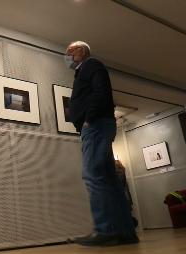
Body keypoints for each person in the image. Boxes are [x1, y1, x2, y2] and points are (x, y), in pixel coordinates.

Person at [65, 41, 139, 246]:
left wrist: (89, 119)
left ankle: (105, 230)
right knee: (109, 179)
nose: (67, 56)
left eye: (69, 51)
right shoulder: (82, 71)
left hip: (95, 125)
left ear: (80, 51)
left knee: (93, 175)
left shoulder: (91, 64)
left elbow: (101, 91)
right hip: (97, 125)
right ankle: (126, 232)